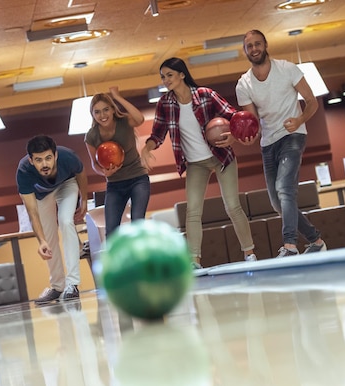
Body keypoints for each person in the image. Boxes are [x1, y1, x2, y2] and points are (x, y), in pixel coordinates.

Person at [140, 57, 256, 269]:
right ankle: (195, 262)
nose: (166, 80)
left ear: (182, 74)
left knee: (232, 206)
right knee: (192, 212)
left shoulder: (205, 95)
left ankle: (249, 254)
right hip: (195, 164)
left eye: (169, 75)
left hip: (221, 157)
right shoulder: (165, 104)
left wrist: (234, 136)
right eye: (163, 77)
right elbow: (158, 133)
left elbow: (232, 116)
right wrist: (146, 148)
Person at [235, 29, 326, 257]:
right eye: (250, 46)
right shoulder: (243, 84)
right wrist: (249, 137)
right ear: (246, 51)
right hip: (268, 143)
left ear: (266, 45)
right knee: (277, 203)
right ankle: (316, 240)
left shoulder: (287, 69)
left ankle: (290, 245)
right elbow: (253, 123)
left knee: (285, 189)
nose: (254, 49)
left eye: (258, 44)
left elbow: (312, 102)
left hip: (293, 136)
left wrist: (299, 120)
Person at [16, 135, 88, 304]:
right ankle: (57, 287)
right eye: (39, 160)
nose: (45, 164)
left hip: (67, 184)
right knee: (48, 237)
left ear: (55, 155)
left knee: (65, 220)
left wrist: (83, 198)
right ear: (31, 160)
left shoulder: (68, 156)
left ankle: (72, 284)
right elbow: (32, 212)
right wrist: (41, 241)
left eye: (48, 158)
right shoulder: (24, 172)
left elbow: (81, 173)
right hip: (43, 195)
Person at [84, 86, 150, 237]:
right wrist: (104, 172)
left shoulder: (125, 122)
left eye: (106, 109)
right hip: (115, 184)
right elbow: (94, 164)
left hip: (137, 179)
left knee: (137, 223)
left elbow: (140, 119)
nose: (102, 115)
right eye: (97, 112)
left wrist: (117, 97)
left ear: (113, 109)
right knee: (111, 231)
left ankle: (141, 259)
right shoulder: (91, 136)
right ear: (92, 115)